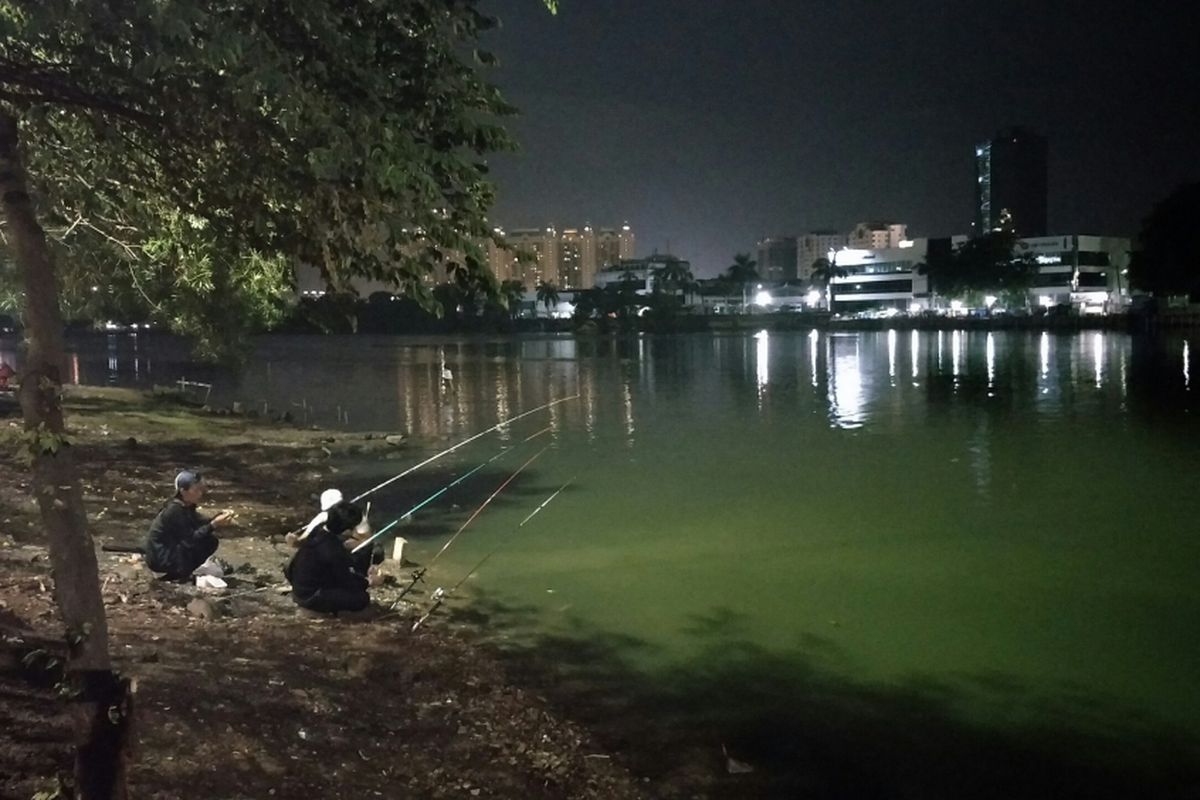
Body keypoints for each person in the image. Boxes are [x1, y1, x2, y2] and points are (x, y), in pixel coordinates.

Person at [285, 491, 373, 615]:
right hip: (311, 597)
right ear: (346, 530)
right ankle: (322, 610)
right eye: (353, 529)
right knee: (362, 598)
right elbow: (346, 581)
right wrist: (370, 582)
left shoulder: (318, 534)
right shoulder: (333, 549)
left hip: (300, 588)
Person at [144, 470, 234, 580]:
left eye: (201, 489)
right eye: (196, 490)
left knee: (209, 540)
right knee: (208, 542)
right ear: (183, 491)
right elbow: (190, 540)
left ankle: (180, 572)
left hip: (169, 551)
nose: (200, 493)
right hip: (160, 558)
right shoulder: (174, 510)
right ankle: (177, 575)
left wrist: (218, 518)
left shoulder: (186, 507)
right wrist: (214, 524)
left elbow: (199, 522)